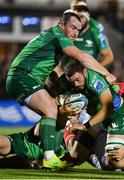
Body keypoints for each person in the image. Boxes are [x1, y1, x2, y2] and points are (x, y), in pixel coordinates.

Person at [6, 10, 116, 170]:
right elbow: (82, 57)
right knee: (51, 109)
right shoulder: (58, 35)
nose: (76, 32)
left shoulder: (53, 37)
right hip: (22, 77)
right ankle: (49, 157)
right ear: (61, 24)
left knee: (56, 109)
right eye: (72, 27)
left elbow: (53, 70)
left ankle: (47, 146)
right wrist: (106, 73)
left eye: (78, 29)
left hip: (23, 77)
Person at [62, 58, 124, 167]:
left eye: (77, 79)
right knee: (75, 154)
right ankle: (97, 159)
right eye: (72, 82)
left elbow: (108, 108)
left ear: (84, 72)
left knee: (114, 163)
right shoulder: (73, 83)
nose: (76, 84)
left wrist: (85, 125)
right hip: (98, 117)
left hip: (117, 116)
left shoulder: (95, 81)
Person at [70, 0, 114, 67]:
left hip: (88, 70)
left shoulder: (97, 28)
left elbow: (108, 57)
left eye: (81, 17)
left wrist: (92, 70)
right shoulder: (66, 26)